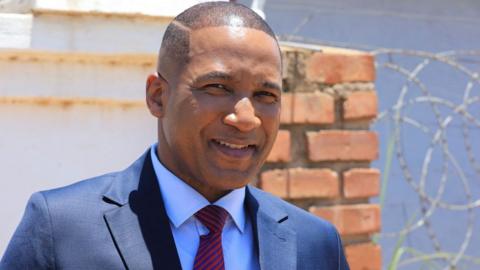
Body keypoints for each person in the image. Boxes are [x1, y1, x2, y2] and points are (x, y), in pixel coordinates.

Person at [1, 2, 349, 269]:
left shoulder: (315, 244)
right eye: (217, 87)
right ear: (157, 96)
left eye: (266, 96)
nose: (246, 118)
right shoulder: (61, 228)